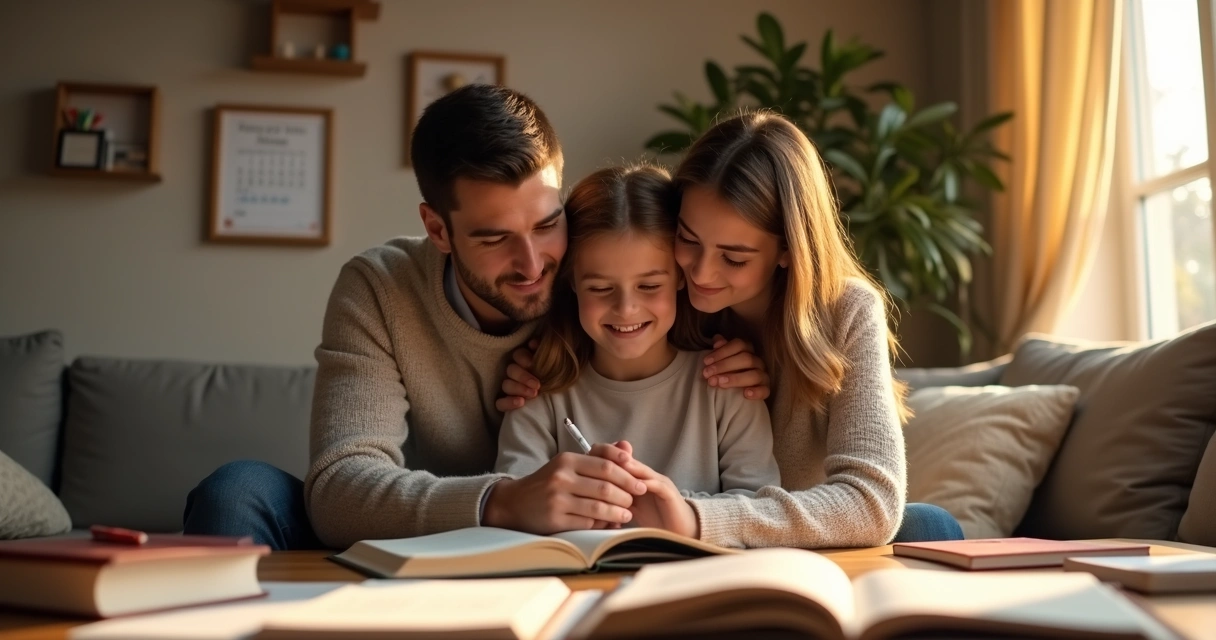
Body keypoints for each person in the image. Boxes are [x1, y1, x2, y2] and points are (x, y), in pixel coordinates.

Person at [181, 85, 771, 550]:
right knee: (236, 493)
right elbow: (339, 489)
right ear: (438, 228)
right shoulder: (381, 287)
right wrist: (504, 502)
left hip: (579, 536)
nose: (534, 263)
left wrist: (747, 353)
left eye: (546, 223)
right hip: (434, 527)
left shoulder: (598, 272)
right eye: (495, 239)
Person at [501, 112, 963, 546]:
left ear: (787, 249)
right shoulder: (666, 301)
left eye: (735, 257)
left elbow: (873, 503)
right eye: (687, 239)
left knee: (928, 524)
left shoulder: (846, 311)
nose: (700, 273)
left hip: (793, 535)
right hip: (679, 539)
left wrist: (696, 519)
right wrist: (540, 361)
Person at [495, 164, 781, 532]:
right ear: (572, 284)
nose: (626, 309)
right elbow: (514, 507)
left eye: (649, 287)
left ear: (680, 276)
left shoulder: (728, 385)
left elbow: (763, 511)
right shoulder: (538, 391)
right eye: (600, 288)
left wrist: (676, 510)